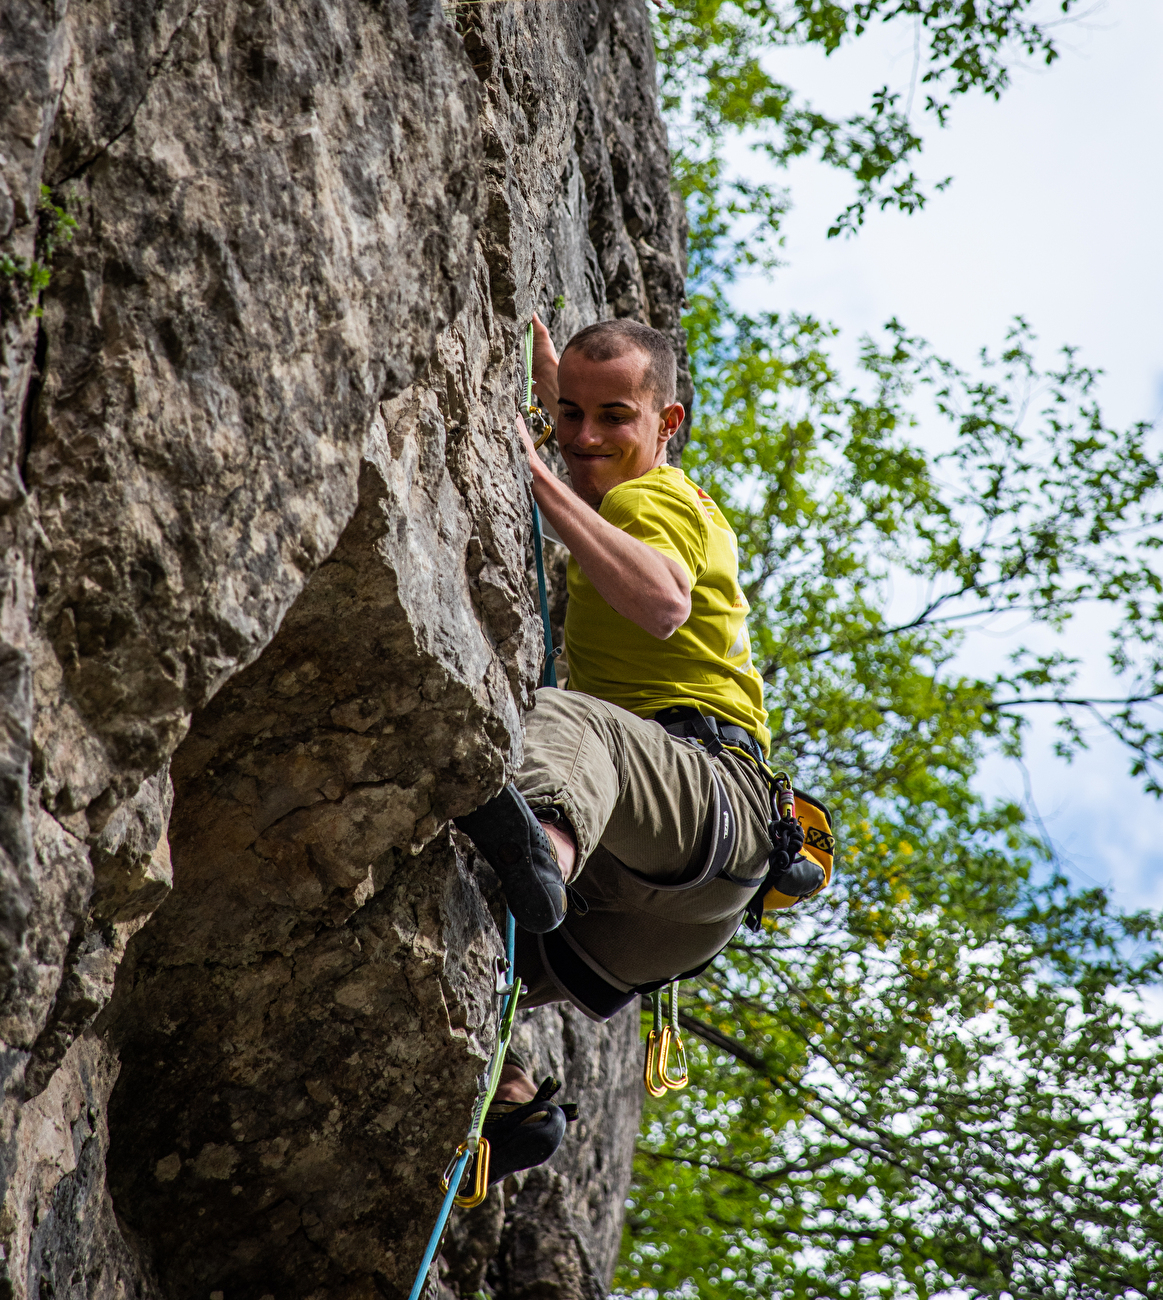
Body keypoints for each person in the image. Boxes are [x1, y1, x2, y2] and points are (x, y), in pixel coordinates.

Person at [454, 315, 834, 1185]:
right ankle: (510, 1101)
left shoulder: (654, 497)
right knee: (450, 923)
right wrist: (562, 408)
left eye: (614, 417)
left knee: (572, 722)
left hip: (708, 798)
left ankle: (539, 843)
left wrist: (538, 476)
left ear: (667, 425)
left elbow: (660, 601)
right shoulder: (628, 499)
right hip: (652, 924)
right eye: (570, 417)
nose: (585, 438)